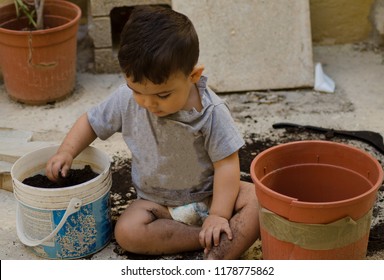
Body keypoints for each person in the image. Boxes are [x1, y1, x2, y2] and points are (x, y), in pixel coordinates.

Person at [46, 5, 259, 260]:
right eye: (137, 91)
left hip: (210, 195)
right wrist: (66, 152)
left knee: (260, 198)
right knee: (127, 232)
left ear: (193, 75)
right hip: (157, 206)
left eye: (163, 94)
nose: (148, 103)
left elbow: (226, 165)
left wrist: (219, 214)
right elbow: (91, 122)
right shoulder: (127, 99)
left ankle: (217, 248)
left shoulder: (211, 112)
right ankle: (207, 239)